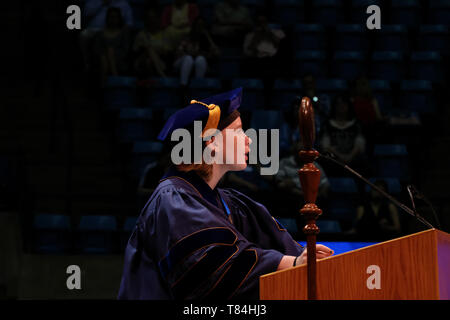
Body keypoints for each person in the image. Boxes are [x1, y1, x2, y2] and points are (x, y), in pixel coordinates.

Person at [118, 88, 334, 299]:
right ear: (211, 141)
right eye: (239, 131)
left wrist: (305, 257)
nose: (249, 139)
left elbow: (281, 246)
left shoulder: (228, 201)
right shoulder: (173, 201)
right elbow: (215, 270)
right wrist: (292, 263)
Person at [80, 0, 134, 69]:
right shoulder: (93, 1)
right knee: (84, 35)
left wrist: (120, 32)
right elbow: (85, 15)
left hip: (115, 32)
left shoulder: (124, 3)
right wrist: (102, 3)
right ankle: (87, 63)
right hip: (93, 31)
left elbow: (129, 24)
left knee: (110, 51)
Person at [173, 17, 220, 87]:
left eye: (201, 26)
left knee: (200, 59)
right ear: (194, 26)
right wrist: (190, 53)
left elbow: (217, 53)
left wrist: (208, 38)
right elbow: (178, 52)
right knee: (188, 58)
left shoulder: (205, 39)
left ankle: (197, 87)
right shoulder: (187, 37)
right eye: (198, 25)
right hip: (182, 63)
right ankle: (183, 87)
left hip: (197, 64)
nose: (199, 28)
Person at [93, 7, 132, 85]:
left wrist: (111, 54)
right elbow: (97, 50)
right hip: (102, 61)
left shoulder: (123, 33)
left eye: (115, 17)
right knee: (103, 60)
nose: (113, 19)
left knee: (110, 51)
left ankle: (114, 82)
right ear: (107, 18)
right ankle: (112, 84)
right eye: (111, 17)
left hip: (120, 61)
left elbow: (125, 51)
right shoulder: (100, 34)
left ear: (119, 18)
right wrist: (106, 56)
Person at [132, 9, 172, 79]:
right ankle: (162, 75)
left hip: (161, 63)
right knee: (148, 51)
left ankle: (149, 83)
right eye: (149, 18)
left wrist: (152, 50)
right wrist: (151, 50)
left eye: (154, 18)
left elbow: (166, 52)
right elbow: (135, 51)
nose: (152, 20)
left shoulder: (164, 34)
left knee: (149, 58)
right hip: (141, 62)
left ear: (158, 19)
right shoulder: (141, 35)